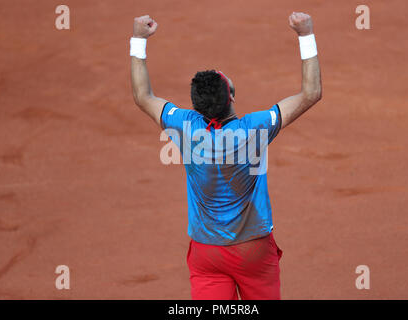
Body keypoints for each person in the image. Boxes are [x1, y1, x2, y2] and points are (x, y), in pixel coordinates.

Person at [130, 12, 322, 300]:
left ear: (196, 107)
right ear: (230, 96)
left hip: (207, 255)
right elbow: (311, 93)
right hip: (252, 251)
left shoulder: (183, 124)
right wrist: (305, 34)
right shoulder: (255, 128)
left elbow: (142, 96)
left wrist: (138, 39)